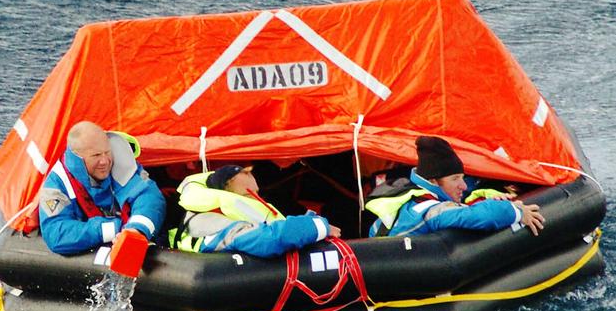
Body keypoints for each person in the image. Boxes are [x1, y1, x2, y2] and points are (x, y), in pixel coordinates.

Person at [367, 136, 545, 237]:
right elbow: (479, 216)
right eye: (455, 179)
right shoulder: (427, 209)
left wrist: (483, 197)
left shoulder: (408, 197)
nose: (462, 185)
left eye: (462, 177)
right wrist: (516, 211)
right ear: (434, 182)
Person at [39, 121, 166, 255]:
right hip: (99, 240)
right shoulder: (56, 185)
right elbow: (56, 233)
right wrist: (114, 229)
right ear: (78, 158)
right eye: (96, 155)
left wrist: (136, 230)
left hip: (129, 235)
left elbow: (149, 196)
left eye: (107, 152)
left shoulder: (122, 163)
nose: (105, 161)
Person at [169, 164, 341, 257]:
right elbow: (268, 239)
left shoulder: (210, 213)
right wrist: (316, 226)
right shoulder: (214, 223)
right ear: (227, 191)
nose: (256, 201)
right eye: (248, 195)